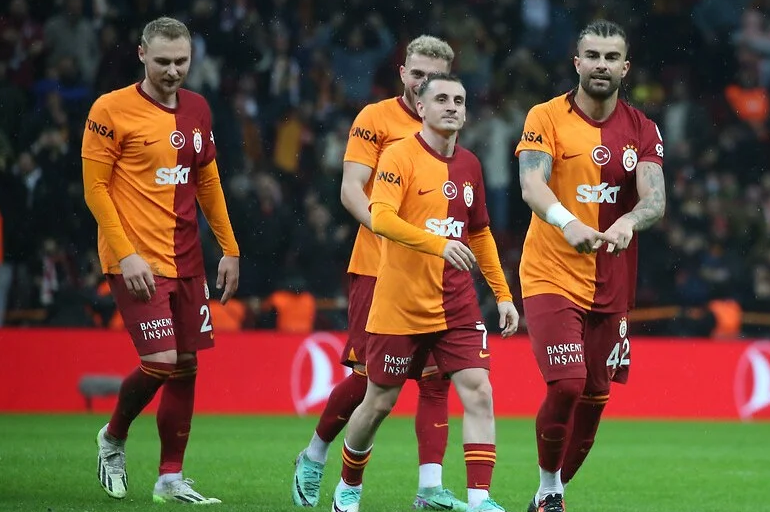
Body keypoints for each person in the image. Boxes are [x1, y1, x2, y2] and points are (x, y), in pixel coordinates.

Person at [293, 36, 467, 511]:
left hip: (431, 273)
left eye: (435, 77)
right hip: (377, 268)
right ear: (403, 73)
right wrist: (389, 229)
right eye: (418, 74)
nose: (425, 84)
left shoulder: (447, 124)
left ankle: (430, 489)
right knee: (370, 380)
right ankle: (314, 453)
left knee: (435, 379)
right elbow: (351, 189)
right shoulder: (375, 119)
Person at [331, 73, 519, 512]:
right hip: (401, 302)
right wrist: (439, 244)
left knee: (479, 390)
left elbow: (480, 233)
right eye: (442, 99)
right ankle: (348, 485)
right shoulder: (398, 156)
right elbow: (381, 218)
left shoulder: (470, 165)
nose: (452, 106)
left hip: (457, 303)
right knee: (379, 401)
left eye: (459, 100)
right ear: (421, 107)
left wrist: (504, 295)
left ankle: (480, 500)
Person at [81, 17, 239, 504]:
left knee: (186, 365)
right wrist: (126, 254)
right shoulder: (110, 109)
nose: (173, 71)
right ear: (142, 54)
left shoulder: (198, 108)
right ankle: (112, 437)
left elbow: (208, 182)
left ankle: (170, 478)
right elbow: (95, 189)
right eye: (163, 61)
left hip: (187, 259)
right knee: (160, 363)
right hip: (135, 261)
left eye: (181, 62)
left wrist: (230, 248)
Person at [515, 20, 666, 512]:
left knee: (595, 401)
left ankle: (547, 496)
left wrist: (628, 221)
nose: (602, 65)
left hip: (611, 283)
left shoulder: (642, 128)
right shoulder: (545, 116)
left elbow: (655, 198)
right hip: (551, 272)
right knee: (567, 385)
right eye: (593, 55)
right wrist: (566, 222)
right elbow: (532, 185)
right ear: (577, 62)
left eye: (611, 57)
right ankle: (549, 486)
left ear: (625, 67)